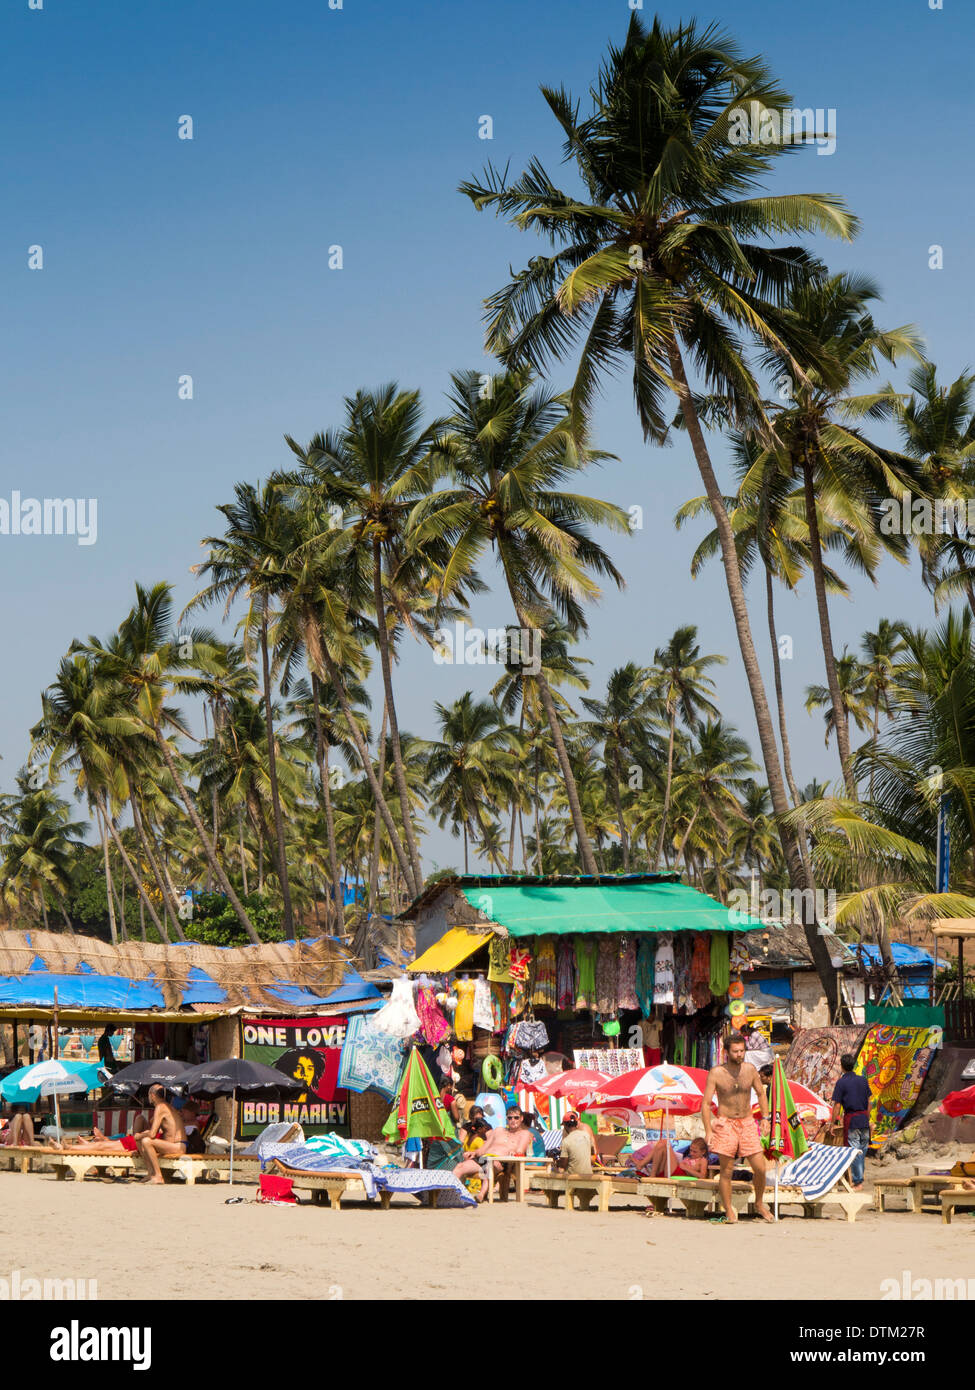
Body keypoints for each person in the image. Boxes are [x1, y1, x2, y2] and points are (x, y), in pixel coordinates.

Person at [702, 1032, 772, 1223]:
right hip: (726, 1123)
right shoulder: (716, 1073)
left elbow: (761, 1093)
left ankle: (759, 1203)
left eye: (742, 1051)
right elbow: (706, 1103)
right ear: (726, 1052)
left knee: (760, 1167)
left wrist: (765, 1118)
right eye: (735, 1051)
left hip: (748, 1122)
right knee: (726, 1170)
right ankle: (729, 1210)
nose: (739, 1054)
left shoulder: (750, 1070)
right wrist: (708, 1129)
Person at [452, 1104, 533, 1203]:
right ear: (506, 1119)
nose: (513, 1120)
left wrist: (515, 1152)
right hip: (484, 1158)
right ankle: (448, 1194)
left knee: (488, 1166)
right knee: (460, 1166)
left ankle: (481, 1194)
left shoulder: (524, 1134)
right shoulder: (499, 1130)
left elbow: (520, 1150)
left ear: (521, 1118)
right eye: (510, 1118)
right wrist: (473, 1153)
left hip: (500, 1162)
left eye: (516, 1118)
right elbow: (483, 1149)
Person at [831, 1053, 871, 1190]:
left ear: (842, 1066)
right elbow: (869, 1102)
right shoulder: (863, 1080)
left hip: (852, 1120)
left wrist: (833, 1123)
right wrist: (868, 1117)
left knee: (854, 1151)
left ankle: (858, 1181)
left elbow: (837, 1105)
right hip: (864, 1119)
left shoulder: (841, 1082)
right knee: (862, 1150)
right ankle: (859, 1179)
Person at [135, 1084, 187, 1184]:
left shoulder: (161, 1107)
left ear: (152, 1095)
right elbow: (154, 1129)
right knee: (141, 1140)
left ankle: (158, 1176)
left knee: (146, 1141)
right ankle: (151, 1173)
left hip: (178, 1146)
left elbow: (152, 1135)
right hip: (172, 1145)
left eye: (149, 1095)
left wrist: (139, 1135)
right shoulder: (165, 1106)